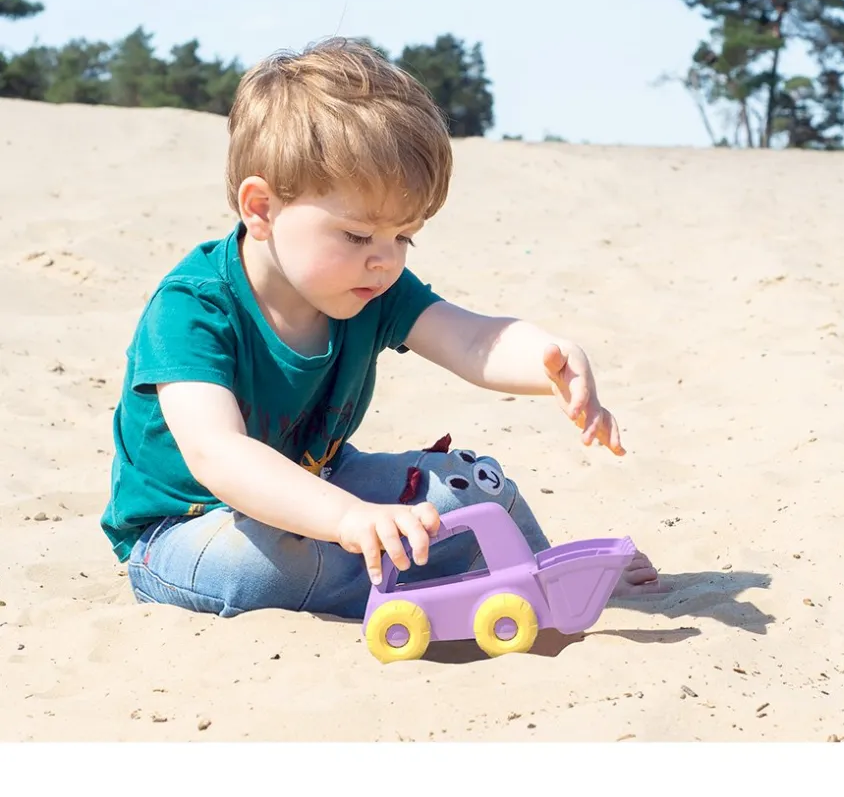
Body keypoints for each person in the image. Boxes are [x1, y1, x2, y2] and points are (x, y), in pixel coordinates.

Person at [100, 36, 662, 620]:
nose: (386, 260)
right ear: (262, 209)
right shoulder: (193, 308)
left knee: (470, 484)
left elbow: (471, 340)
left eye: (404, 236)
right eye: (357, 235)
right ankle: (442, 584)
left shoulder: (371, 288)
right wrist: (347, 517)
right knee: (268, 563)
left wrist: (550, 357)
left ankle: (542, 578)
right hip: (189, 530)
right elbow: (220, 454)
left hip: (329, 487)